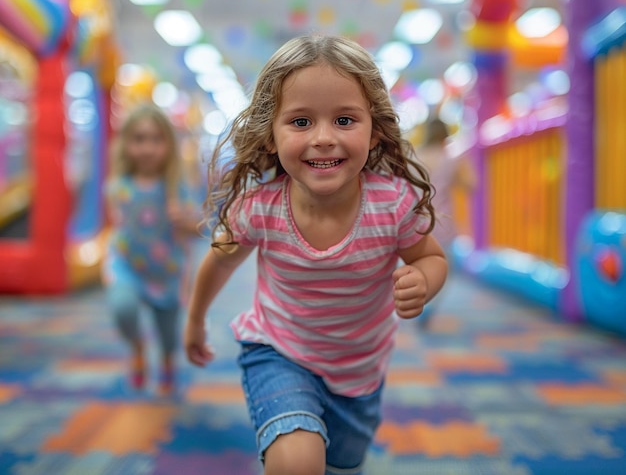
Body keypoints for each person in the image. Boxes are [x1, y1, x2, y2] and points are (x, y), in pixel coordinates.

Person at [184, 35, 448, 475]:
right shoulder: (258, 207)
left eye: (344, 120)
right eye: (301, 122)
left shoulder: (393, 204)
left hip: (359, 370)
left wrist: (424, 280)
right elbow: (219, 261)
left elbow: (432, 258)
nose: (323, 138)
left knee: (341, 466)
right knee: (299, 462)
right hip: (277, 351)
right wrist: (195, 320)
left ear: (375, 129)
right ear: (270, 135)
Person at [102, 103, 200, 395]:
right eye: (139, 139)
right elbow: (120, 224)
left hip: (166, 270)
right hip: (127, 265)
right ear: (126, 144)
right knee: (122, 309)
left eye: (156, 140)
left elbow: (199, 227)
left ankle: (167, 362)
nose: (147, 148)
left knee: (169, 335)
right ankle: (137, 347)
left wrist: (187, 221)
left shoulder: (176, 187)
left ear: (168, 145)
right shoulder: (119, 185)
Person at [413, 117, 477, 327]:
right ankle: (428, 304)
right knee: (442, 268)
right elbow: (471, 185)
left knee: (418, 264)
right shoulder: (450, 160)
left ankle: (417, 298)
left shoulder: (414, 157)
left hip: (415, 222)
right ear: (445, 136)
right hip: (442, 222)